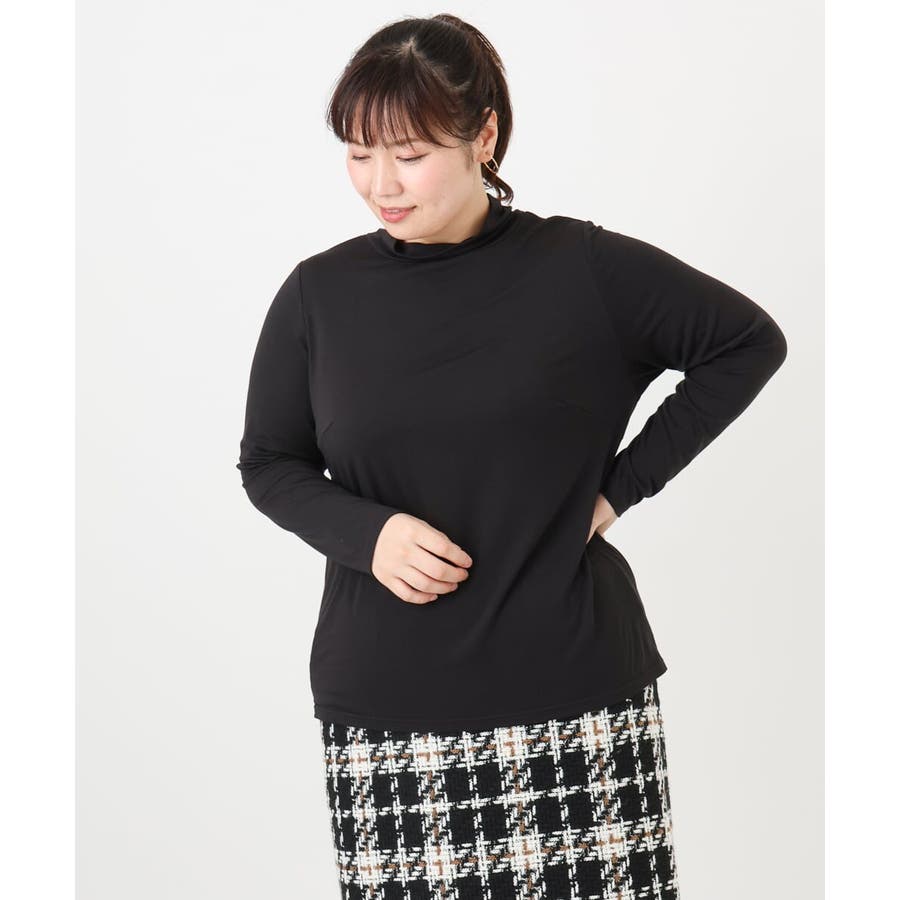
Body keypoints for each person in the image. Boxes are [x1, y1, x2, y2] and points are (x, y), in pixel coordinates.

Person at [236, 13, 787, 900]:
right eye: (358, 154)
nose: (381, 183)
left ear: (483, 135)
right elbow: (269, 461)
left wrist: (619, 489)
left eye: (410, 153)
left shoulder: (582, 269)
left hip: (577, 701)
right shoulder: (318, 295)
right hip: (389, 711)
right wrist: (368, 534)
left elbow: (747, 342)